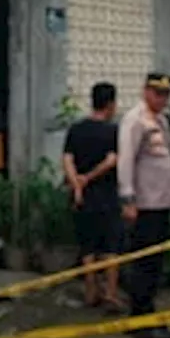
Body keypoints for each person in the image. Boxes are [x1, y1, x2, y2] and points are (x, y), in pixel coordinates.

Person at [117, 72, 170, 338]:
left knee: (154, 264)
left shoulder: (162, 121)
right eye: (157, 93)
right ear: (145, 92)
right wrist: (128, 199)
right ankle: (142, 319)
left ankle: (144, 313)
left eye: (166, 94)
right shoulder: (135, 120)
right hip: (144, 205)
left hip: (161, 202)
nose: (162, 99)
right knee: (145, 262)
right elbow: (126, 160)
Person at [61, 82, 125, 312]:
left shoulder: (76, 129)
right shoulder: (112, 131)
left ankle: (90, 293)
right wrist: (88, 178)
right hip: (106, 195)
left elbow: (67, 159)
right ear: (110, 104)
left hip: (83, 198)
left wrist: (76, 183)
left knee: (87, 247)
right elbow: (112, 161)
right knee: (111, 247)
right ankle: (110, 293)